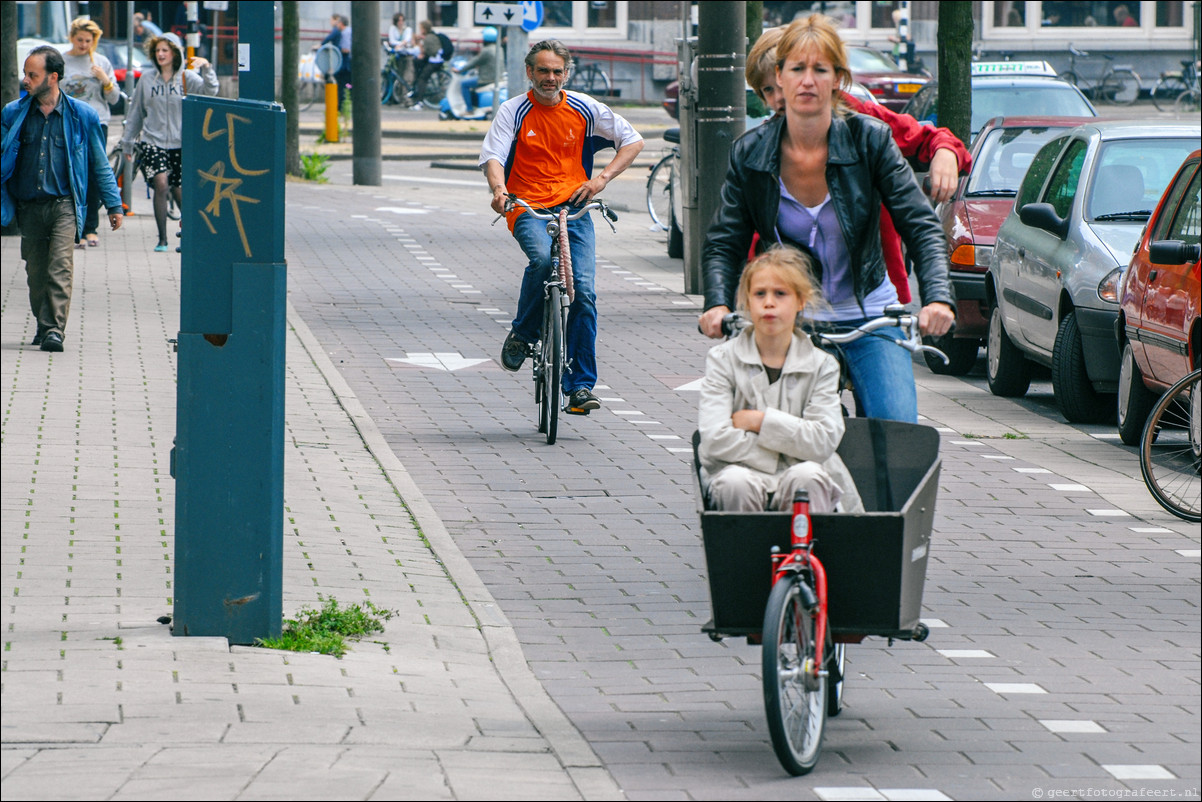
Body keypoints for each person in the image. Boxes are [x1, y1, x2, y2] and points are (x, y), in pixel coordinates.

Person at [699, 16, 954, 423]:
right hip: (790, 320)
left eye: (820, 70)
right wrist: (716, 304)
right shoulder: (750, 153)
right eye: (797, 69)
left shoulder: (870, 140)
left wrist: (938, 297)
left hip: (871, 314)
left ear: (838, 79)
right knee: (773, 431)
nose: (807, 82)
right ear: (778, 77)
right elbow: (724, 241)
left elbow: (920, 225)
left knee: (897, 428)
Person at [743, 25, 970, 303]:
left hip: (871, 292)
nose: (780, 97)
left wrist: (945, 151)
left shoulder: (862, 121)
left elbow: (927, 138)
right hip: (793, 298)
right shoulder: (764, 146)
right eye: (768, 89)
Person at [479, 40, 644, 414]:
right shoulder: (514, 111)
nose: (550, 78)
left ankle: (581, 386)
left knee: (583, 292)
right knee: (540, 262)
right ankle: (523, 333)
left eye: (557, 71)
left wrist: (600, 181)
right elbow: (493, 155)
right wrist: (500, 190)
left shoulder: (585, 108)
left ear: (565, 73)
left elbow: (632, 141)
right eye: (543, 71)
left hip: (576, 210)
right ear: (530, 73)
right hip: (526, 206)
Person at [698, 247, 862, 513]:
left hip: (800, 474)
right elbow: (715, 439)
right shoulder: (722, 359)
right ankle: (743, 553)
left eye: (780, 294)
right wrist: (790, 447)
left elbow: (823, 440)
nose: (769, 303)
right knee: (735, 482)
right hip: (739, 471)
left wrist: (760, 422)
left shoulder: (823, 365)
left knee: (808, 476)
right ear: (747, 301)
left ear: (800, 301)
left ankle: (809, 553)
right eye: (759, 294)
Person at [2, 46, 123, 352]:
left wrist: (114, 204)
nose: (26, 80)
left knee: (60, 267)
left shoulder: (82, 116)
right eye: (25, 74)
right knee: (36, 274)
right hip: (28, 206)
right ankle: (44, 324)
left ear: (53, 77)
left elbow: (99, 163)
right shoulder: (13, 113)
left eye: (33, 75)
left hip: (64, 205)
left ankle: (54, 329)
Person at [120, 33, 218, 252]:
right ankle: (162, 239)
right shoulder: (146, 79)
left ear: (175, 52)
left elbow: (210, 92)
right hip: (153, 141)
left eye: (165, 50)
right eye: (157, 51)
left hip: (181, 143)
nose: (161, 54)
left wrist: (207, 69)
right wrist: (128, 142)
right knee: (161, 184)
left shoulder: (187, 78)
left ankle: (189, 236)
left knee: (179, 189)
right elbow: (136, 112)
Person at [60, 17, 121, 248]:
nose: (84, 45)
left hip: (97, 122)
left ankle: (91, 228)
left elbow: (115, 99)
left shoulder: (102, 62)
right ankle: (75, 227)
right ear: (72, 38)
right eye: (80, 40)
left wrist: (105, 81)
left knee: (94, 174)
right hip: (69, 122)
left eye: (88, 40)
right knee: (72, 173)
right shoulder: (63, 61)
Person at [456, 27, 499, 112]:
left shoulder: (486, 50)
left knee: (464, 84)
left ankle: (469, 109)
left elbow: (474, 62)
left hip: (486, 79)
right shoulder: (498, 48)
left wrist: (460, 70)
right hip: (496, 77)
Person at [410, 20, 447, 108]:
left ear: (424, 29)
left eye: (420, 28)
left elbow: (427, 51)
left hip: (435, 62)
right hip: (437, 60)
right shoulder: (431, 36)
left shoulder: (428, 38)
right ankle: (415, 91)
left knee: (422, 78)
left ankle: (419, 102)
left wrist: (419, 44)